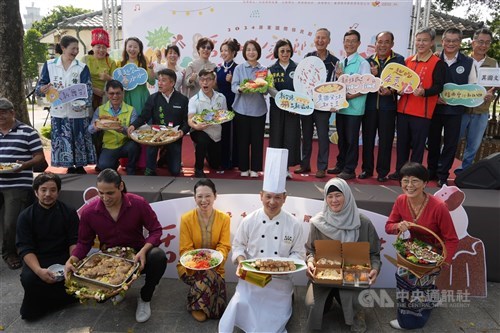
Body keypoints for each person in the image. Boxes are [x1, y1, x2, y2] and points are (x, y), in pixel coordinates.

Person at [219, 147, 305, 332]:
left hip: (280, 282)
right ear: (261, 196)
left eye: (277, 197)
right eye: (268, 197)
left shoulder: (294, 224)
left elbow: (299, 253)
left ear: (285, 198)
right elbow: (238, 245)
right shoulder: (250, 220)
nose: (272, 202)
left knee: (273, 321)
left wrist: (289, 266)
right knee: (240, 304)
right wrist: (242, 262)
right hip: (252, 279)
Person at [64, 169, 167, 323]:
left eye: (110, 193)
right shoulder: (89, 212)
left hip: (138, 255)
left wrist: (144, 251)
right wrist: (72, 259)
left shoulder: (138, 203)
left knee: (158, 257)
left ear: (121, 186)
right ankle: (117, 289)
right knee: (100, 299)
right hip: (110, 260)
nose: (105, 198)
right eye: (101, 193)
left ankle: (145, 297)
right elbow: (84, 242)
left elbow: (156, 230)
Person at [385, 162, 458, 330]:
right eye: (405, 181)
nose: (409, 186)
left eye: (415, 181)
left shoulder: (439, 207)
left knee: (417, 284)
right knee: (405, 278)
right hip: (414, 248)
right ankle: (431, 299)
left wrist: (442, 263)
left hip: (436, 253)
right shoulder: (401, 200)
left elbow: (452, 239)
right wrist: (398, 226)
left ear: (425, 183)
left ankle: (410, 322)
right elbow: (389, 226)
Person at [305, 178, 381, 332]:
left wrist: (374, 268)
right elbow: (310, 250)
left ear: (347, 195)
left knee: (357, 304)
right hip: (324, 276)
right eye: (330, 196)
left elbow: (374, 254)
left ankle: (348, 305)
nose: (334, 200)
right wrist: (311, 262)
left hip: (353, 277)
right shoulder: (318, 222)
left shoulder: (363, 223)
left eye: (338, 195)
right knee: (312, 305)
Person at [16, 173, 79, 320]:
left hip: (64, 257)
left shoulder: (68, 212)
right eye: (43, 190)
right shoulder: (25, 216)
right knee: (29, 280)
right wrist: (38, 271)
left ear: (58, 191)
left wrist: (71, 262)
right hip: (39, 259)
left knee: (77, 274)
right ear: (36, 192)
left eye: (53, 190)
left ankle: (60, 299)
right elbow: (25, 248)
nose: (48, 194)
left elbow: (74, 241)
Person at [388, 28, 446, 180]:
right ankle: (400, 171)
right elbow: (400, 83)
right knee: (401, 144)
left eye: (425, 40)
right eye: (418, 40)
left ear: (432, 43)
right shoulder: (408, 61)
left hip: (422, 112)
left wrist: (424, 92)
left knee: (418, 147)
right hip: (403, 110)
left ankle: (414, 175)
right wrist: (398, 90)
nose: (421, 43)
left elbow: (439, 87)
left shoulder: (437, 63)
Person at [36, 35, 95, 174]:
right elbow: (40, 86)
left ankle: (80, 166)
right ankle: (68, 166)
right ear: (63, 48)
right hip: (59, 111)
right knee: (64, 139)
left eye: (77, 49)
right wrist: (42, 89)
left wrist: (84, 103)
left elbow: (88, 89)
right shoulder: (50, 65)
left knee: (78, 138)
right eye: (72, 48)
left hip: (78, 111)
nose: (75, 52)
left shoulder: (81, 67)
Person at [427, 28, 476, 187]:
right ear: (442, 42)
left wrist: (481, 95)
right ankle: (431, 171)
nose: (451, 44)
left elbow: (472, 87)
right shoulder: (433, 59)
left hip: (455, 111)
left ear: (460, 43)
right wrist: (435, 97)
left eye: (455, 41)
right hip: (434, 108)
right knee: (433, 142)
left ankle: (443, 174)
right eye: (447, 40)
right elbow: (428, 84)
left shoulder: (468, 62)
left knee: (450, 143)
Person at [0, 98, 45, 270]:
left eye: (4, 112)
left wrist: (24, 165)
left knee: (11, 222)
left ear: (12, 112)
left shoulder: (27, 132)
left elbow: (39, 157)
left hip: (17, 183)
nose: (0, 115)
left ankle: (10, 253)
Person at [177, 179, 231, 322]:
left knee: (210, 273)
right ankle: (196, 305)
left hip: (216, 267)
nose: (204, 200)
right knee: (208, 274)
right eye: (199, 196)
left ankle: (198, 299)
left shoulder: (224, 218)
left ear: (215, 196)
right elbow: (185, 249)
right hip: (190, 268)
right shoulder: (186, 219)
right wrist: (200, 263)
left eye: (208, 196)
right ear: (194, 198)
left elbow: (224, 246)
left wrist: (215, 259)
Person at [128, 68, 190, 176]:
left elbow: (187, 121)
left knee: (175, 171)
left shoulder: (183, 99)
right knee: (151, 151)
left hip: (174, 135)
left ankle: (165, 157)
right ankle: (151, 167)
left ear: (172, 83)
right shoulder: (153, 98)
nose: (160, 83)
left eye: (163, 80)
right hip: (156, 134)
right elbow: (144, 116)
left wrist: (182, 132)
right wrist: (133, 126)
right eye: (159, 80)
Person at [361, 31, 405, 182]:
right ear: (375, 44)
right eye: (380, 42)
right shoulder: (367, 61)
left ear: (392, 44)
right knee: (367, 139)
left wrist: (391, 90)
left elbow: (402, 83)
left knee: (385, 140)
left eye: (386, 42)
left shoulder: (398, 60)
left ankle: (382, 172)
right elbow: (364, 84)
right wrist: (373, 77)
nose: (383, 45)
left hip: (389, 107)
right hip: (370, 107)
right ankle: (367, 169)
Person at [296, 28, 340, 178]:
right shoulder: (308, 57)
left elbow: (335, 84)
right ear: (314, 40)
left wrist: (333, 102)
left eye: (323, 38)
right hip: (307, 104)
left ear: (328, 41)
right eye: (318, 38)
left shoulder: (335, 62)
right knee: (306, 135)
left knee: (322, 136)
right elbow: (301, 80)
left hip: (323, 106)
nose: (320, 41)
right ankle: (305, 164)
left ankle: (322, 167)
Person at [327, 30, 370, 180]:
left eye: (353, 41)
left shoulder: (363, 63)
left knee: (352, 140)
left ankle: (350, 169)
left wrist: (351, 96)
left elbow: (366, 86)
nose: (349, 44)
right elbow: (337, 85)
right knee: (342, 138)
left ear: (359, 44)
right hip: (341, 108)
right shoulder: (340, 62)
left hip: (354, 109)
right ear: (343, 43)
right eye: (347, 41)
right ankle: (341, 164)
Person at [455, 28, 498, 174]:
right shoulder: (461, 60)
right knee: (452, 141)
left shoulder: (493, 63)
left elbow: (495, 85)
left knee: (473, 146)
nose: (483, 45)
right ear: (473, 43)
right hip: (461, 109)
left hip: (481, 111)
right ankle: (443, 169)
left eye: (487, 43)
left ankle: (463, 173)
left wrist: (492, 92)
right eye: (480, 42)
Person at [231, 40, 268, 178]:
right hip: (241, 109)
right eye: (248, 50)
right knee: (243, 140)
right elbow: (233, 86)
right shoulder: (239, 68)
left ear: (258, 52)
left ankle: (255, 168)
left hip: (258, 110)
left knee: (258, 140)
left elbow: (265, 90)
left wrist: (262, 87)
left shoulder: (263, 69)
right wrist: (240, 88)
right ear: (244, 53)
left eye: (254, 50)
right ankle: (244, 167)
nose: (251, 52)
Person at [88, 80, 140, 175]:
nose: (115, 96)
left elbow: (135, 134)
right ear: (107, 94)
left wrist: (122, 129)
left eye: (118, 93)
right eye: (112, 93)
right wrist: (96, 126)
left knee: (134, 146)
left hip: (125, 144)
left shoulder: (131, 110)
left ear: (122, 93)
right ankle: (113, 163)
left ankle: (131, 168)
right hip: (109, 146)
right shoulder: (100, 110)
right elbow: (90, 129)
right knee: (104, 166)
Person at [268, 38, 301, 179]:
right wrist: (283, 100)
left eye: (288, 51)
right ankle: (276, 169)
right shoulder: (270, 69)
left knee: (291, 137)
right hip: (277, 109)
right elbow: (269, 88)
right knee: (276, 137)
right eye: (282, 51)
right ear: (277, 52)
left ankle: (286, 168)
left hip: (293, 110)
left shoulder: (298, 68)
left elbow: (302, 88)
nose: (285, 53)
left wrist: (294, 105)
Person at [187, 69, 227, 178]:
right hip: (199, 130)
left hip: (215, 133)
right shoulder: (194, 100)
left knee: (215, 164)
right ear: (199, 82)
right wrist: (196, 126)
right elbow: (190, 119)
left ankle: (207, 154)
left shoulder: (221, 98)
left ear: (214, 81)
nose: (205, 82)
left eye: (208, 79)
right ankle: (198, 169)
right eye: (202, 80)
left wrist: (220, 118)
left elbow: (225, 114)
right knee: (202, 140)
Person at [216, 38, 240, 170]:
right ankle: (222, 160)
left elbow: (242, 88)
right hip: (220, 105)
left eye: (227, 50)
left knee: (233, 133)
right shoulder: (218, 68)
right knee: (222, 132)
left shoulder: (238, 68)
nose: (224, 53)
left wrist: (232, 81)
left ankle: (233, 160)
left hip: (234, 104)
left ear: (233, 52)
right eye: (222, 51)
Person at [81, 28, 117, 111]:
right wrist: (93, 89)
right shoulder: (85, 60)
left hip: (105, 96)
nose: (101, 50)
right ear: (92, 47)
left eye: (104, 47)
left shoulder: (111, 62)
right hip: (88, 94)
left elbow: (116, 82)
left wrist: (108, 78)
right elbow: (79, 79)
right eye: (98, 47)